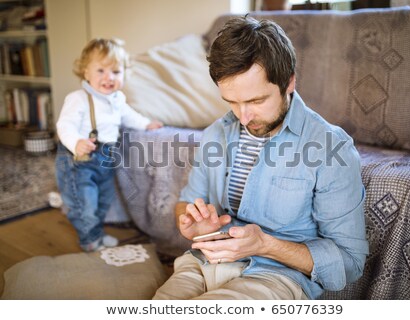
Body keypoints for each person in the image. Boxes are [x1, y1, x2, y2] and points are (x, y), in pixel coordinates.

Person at [152, 16, 368, 300]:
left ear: (289, 81)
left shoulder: (330, 147)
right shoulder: (216, 134)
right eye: (232, 102)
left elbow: (350, 262)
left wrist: (264, 245)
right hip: (202, 263)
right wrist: (190, 223)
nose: (243, 117)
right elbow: (187, 202)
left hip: (276, 276)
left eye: (256, 101)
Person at [55, 38, 163, 252]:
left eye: (115, 71)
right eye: (101, 71)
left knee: (103, 199)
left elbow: (129, 116)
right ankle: (89, 239)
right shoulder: (78, 98)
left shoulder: (117, 99)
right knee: (85, 203)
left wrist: (146, 124)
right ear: (86, 73)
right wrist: (76, 142)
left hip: (105, 157)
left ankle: (97, 232)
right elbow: (64, 125)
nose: (108, 78)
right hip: (79, 160)